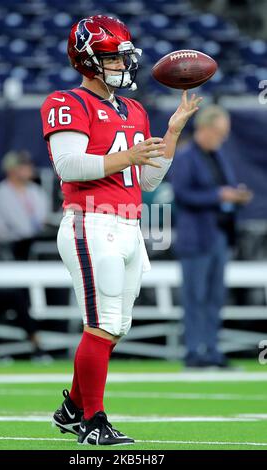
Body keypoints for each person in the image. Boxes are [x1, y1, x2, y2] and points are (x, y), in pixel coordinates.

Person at [40, 15, 201, 445]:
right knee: (102, 323)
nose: (122, 65)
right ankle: (93, 423)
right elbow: (69, 165)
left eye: (122, 56)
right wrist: (127, 156)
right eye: (112, 56)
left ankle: (73, 408)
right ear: (88, 60)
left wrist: (172, 130)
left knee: (116, 326)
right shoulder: (66, 101)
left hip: (128, 224)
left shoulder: (134, 109)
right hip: (89, 220)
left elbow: (147, 181)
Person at [170, 105, 252, 369]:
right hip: (196, 239)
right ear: (204, 128)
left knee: (215, 298)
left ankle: (212, 350)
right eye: (218, 132)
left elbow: (220, 188)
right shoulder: (185, 157)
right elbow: (181, 195)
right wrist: (219, 196)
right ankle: (194, 352)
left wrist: (234, 195)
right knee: (195, 297)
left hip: (219, 235)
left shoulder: (218, 155)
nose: (222, 138)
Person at [0, 150, 50, 259]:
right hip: (10, 250)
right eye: (24, 165)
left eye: (29, 165)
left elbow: (43, 221)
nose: (30, 168)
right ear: (11, 169)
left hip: (36, 245)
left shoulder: (37, 192)